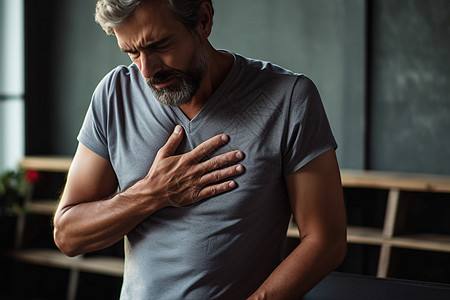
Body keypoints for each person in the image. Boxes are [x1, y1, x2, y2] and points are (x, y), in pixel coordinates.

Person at [53, 0, 347, 299]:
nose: (147, 70)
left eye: (160, 45)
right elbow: (68, 235)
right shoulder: (114, 95)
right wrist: (152, 194)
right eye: (132, 52)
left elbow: (326, 240)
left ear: (203, 20)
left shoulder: (289, 99)